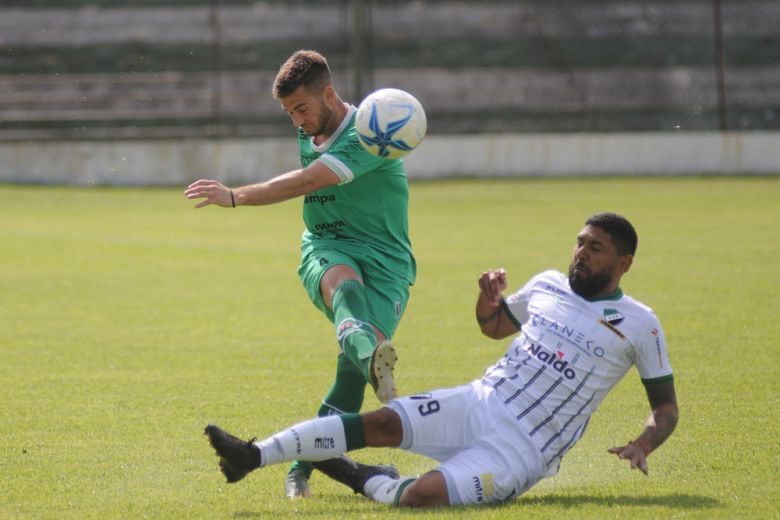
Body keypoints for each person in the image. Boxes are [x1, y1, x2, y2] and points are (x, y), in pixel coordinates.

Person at [204, 212, 679, 508]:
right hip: (479, 401)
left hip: (522, 450)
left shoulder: (641, 323)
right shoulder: (549, 283)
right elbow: (492, 327)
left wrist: (645, 443)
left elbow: (666, 409)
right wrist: (487, 301)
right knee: (383, 421)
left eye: (595, 249)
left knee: (421, 495)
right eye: (579, 241)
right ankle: (253, 455)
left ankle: (362, 477)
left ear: (624, 263)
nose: (580, 253)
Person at [185, 50, 416, 498]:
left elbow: (310, 181)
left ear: (329, 93)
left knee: (348, 384)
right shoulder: (312, 125)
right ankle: (369, 351)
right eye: (288, 113)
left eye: (302, 109)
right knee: (343, 284)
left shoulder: (368, 137)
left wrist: (236, 196)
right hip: (327, 246)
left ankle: (299, 470)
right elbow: (310, 176)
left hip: (388, 263)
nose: (297, 121)